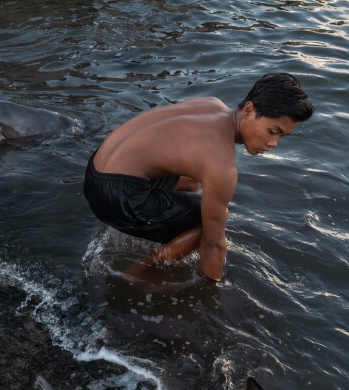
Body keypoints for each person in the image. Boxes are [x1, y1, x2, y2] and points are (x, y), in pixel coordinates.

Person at [83, 73, 314, 281]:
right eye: (272, 131)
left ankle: (161, 228)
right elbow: (214, 244)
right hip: (114, 196)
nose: (274, 143)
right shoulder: (221, 164)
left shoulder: (211, 104)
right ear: (249, 110)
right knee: (209, 222)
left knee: (193, 181)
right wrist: (213, 290)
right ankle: (139, 270)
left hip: (94, 172)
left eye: (283, 137)